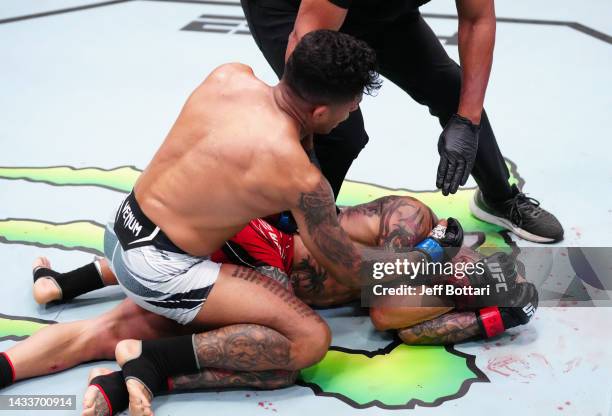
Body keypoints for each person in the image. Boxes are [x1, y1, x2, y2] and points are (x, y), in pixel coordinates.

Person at [17, 30, 466, 416]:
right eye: (349, 107)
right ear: (320, 112)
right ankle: (150, 360)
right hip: (162, 268)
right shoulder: (298, 177)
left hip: (122, 228)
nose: (351, 116)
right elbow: (354, 272)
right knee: (309, 339)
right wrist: (431, 253)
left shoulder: (229, 75)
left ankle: (18, 359)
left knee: (104, 328)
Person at [0, 196, 536, 415]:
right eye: (472, 274)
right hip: (260, 248)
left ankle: (118, 374)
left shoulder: (431, 284)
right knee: (291, 355)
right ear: (469, 250)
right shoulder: (411, 218)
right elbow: (378, 284)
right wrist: (432, 260)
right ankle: (134, 357)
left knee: (121, 325)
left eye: (472, 285)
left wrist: (486, 320)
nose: (462, 283)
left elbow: (397, 322)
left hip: (258, 287)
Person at [240, 0, 564, 243]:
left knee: (453, 89)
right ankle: (288, 224)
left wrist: (467, 120)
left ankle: (500, 198)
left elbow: (477, 20)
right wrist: (307, 141)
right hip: (292, 9)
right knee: (341, 130)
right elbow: (306, 39)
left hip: (381, 10)